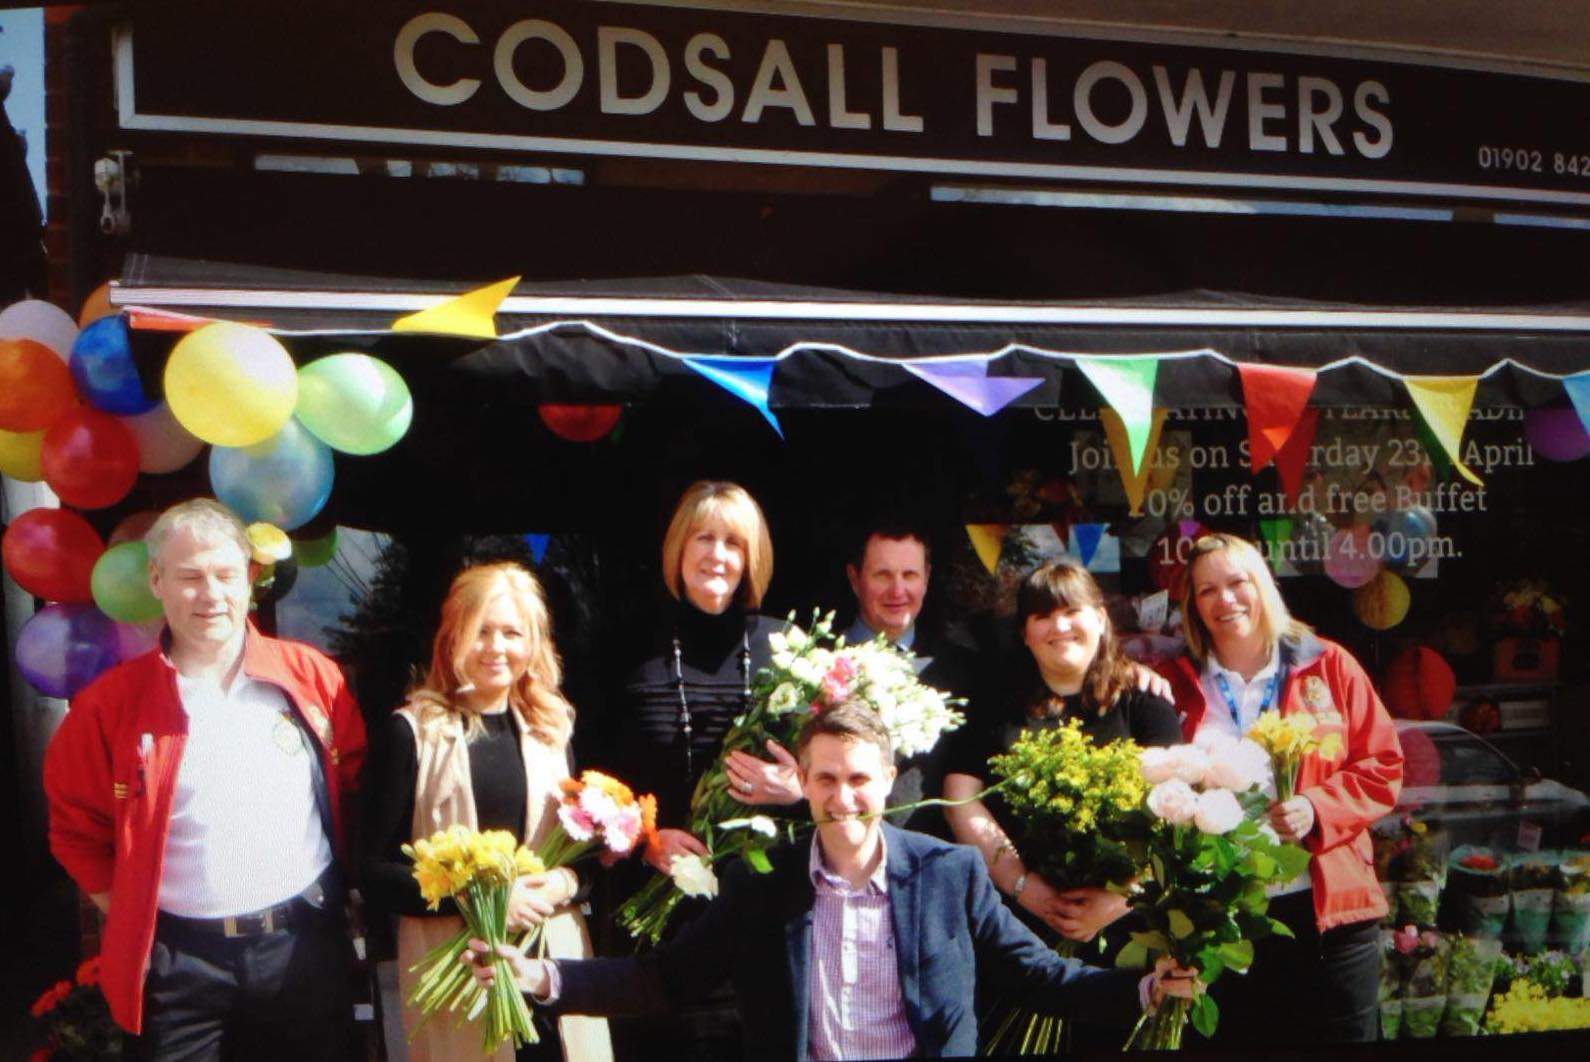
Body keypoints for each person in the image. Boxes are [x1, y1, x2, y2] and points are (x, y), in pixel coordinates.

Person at [463, 701, 1199, 1062]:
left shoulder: (950, 873)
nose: (843, 797)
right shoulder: (762, 886)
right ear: (805, 786)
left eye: (857, 779)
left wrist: (1144, 987)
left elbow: (1040, 977)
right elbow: (665, 979)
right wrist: (538, 977)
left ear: (885, 780)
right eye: (826, 780)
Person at [43, 498, 366, 1060]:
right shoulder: (107, 708)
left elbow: (355, 788)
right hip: (180, 965)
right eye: (189, 577)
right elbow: (75, 830)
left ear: (250, 578)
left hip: (304, 948)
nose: (210, 595)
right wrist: (135, 916)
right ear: (156, 580)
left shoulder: (313, 678)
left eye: (224, 575)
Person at [361, 562, 611, 1062]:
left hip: (551, 965)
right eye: (481, 632)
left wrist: (564, 884)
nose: (496, 648)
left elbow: (586, 858)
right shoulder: (411, 733)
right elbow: (372, 870)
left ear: (534, 643)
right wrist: (483, 899)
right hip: (457, 976)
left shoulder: (554, 729)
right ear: (452, 638)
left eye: (512, 633)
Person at [1160, 532, 1403, 1045]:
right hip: (1223, 919)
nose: (1224, 600)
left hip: (1328, 920)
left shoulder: (1329, 665)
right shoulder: (1173, 682)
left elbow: (1382, 763)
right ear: (1193, 606)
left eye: (1236, 582)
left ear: (1262, 586)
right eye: (1206, 591)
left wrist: (1317, 808)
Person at [942, 561, 1181, 1050]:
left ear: (1100, 618)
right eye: (1042, 616)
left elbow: (1176, 809)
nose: (1060, 626)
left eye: (1072, 611)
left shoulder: (1143, 700)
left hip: (1126, 934)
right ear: (1025, 633)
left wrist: (1119, 899)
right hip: (1023, 931)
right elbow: (960, 797)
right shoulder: (995, 703)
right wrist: (1025, 886)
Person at [606, 480, 799, 881]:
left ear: (751, 557)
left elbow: (832, 773)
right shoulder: (630, 649)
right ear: (680, 548)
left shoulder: (790, 651)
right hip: (659, 883)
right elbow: (599, 779)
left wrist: (798, 788)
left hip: (765, 887)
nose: (717, 555)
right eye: (704, 538)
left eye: (733, 542)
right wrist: (647, 841)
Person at [841, 523, 977, 837]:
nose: (898, 591)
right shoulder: (815, 663)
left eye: (910, 575)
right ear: (854, 579)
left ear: (927, 578)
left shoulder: (960, 669)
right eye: (883, 575)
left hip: (927, 862)